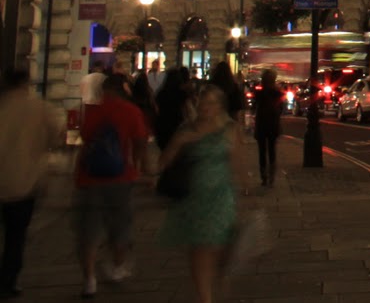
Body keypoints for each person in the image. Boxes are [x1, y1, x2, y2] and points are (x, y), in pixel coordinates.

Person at [158, 84, 249, 303]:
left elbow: (238, 160)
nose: (205, 108)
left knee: (221, 247)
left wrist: (245, 188)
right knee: (201, 249)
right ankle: (205, 298)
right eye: (202, 102)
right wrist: (179, 144)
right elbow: (164, 162)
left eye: (211, 103)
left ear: (220, 106)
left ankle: (219, 278)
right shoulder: (187, 130)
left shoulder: (230, 128)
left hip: (221, 195)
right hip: (194, 196)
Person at [76, 73, 150, 298]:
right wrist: (140, 167)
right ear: (124, 89)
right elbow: (140, 142)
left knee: (88, 230)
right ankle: (117, 268)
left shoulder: (90, 111)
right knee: (119, 225)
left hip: (88, 177)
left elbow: (84, 138)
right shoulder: (130, 111)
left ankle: (89, 279)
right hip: (120, 176)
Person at [0, 67, 65, 297]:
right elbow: (57, 137)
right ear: (26, 83)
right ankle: (9, 280)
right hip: (23, 182)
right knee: (15, 235)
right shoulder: (39, 108)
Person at [250, 70, 285, 187]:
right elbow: (281, 109)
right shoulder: (277, 93)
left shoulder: (259, 93)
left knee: (262, 151)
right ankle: (271, 176)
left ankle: (263, 176)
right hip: (273, 124)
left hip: (261, 124)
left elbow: (254, 107)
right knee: (272, 150)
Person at [154, 67, 193, 150]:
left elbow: (156, 109)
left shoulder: (161, 93)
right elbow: (188, 110)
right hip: (177, 125)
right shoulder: (181, 94)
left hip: (162, 125)